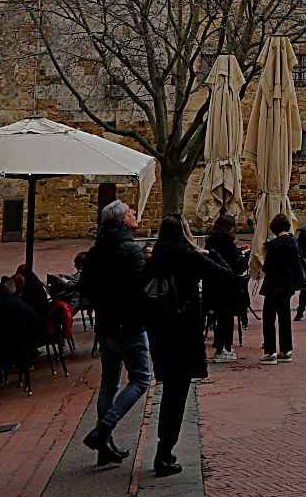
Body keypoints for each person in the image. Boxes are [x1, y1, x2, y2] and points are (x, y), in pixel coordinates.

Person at [141, 213, 238, 477]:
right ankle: (163, 454)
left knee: (169, 392)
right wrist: (211, 253)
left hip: (162, 335)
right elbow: (227, 275)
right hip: (184, 334)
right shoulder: (190, 256)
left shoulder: (155, 257)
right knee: (177, 396)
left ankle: (164, 450)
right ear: (184, 231)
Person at [80, 199, 149, 467]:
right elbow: (142, 287)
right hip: (128, 326)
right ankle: (103, 429)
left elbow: (86, 288)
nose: (135, 214)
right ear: (121, 220)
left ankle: (104, 447)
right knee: (141, 379)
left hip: (105, 326)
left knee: (109, 384)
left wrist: (104, 304)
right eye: (131, 212)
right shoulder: (131, 251)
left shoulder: (96, 252)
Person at [259, 214, 306, 361]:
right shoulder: (294, 241)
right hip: (287, 285)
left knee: (269, 319)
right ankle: (286, 350)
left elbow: (267, 267)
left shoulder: (273, 245)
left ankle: (270, 352)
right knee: (285, 317)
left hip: (273, 285)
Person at [205, 214, 249, 361]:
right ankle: (224, 348)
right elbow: (237, 266)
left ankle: (220, 347)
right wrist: (244, 258)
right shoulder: (228, 243)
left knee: (219, 317)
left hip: (212, 284)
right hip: (228, 285)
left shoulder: (210, 242)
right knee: (227, 318)